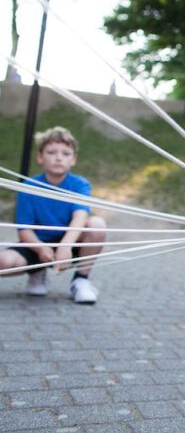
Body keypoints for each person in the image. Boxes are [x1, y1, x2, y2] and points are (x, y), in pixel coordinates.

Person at [0, 126, 107, 304]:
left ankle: (81, 280)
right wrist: (41, 249)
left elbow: (80, 216)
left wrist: (65, 246)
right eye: (51, 152)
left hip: (71, 243)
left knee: (97, 225)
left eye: (66, 153)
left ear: (73, 160)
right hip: (36, 245)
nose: (59, 158)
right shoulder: (28, 186)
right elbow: (24, 229)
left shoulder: (80, 184)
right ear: (40, 157)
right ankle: (37, 272)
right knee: (3, 261)